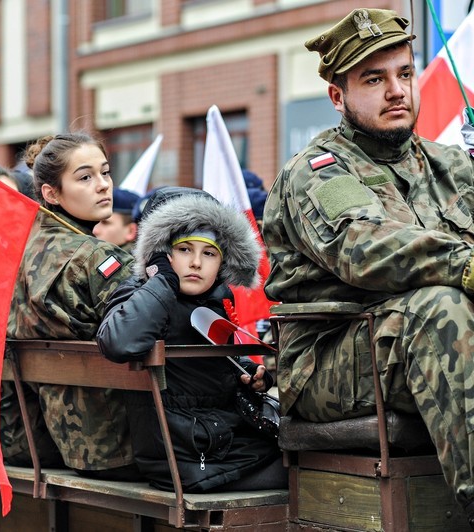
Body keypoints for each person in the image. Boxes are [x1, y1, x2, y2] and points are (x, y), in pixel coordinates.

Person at [262, 7, 474, 523]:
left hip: (411, 340)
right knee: (440, 307)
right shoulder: (318, 171)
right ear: (338, 97)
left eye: (405, 73)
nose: (397, 91)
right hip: (330, 358)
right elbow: (363, 249)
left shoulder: (450, 165)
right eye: (374, 80)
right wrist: (466, 266)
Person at [98, 187, 285, 492]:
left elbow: (206, 370)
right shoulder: (142, 293)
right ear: (160, 252)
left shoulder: (214, 299)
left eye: (209, 253)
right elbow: (119, 341)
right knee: (313, 471)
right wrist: (162, 280)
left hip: (219, 443)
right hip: (189, 457)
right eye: (185, 249)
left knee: (315, 453)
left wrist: (248, 374)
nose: (196, 262)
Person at [1, 132, 140, 479]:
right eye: (85, 177)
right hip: (117, 445)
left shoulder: (22, 248)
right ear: (51, 194)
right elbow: (150, 333)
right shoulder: (97, 257)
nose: (103, 185)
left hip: (42, 441)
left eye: (105, 172)